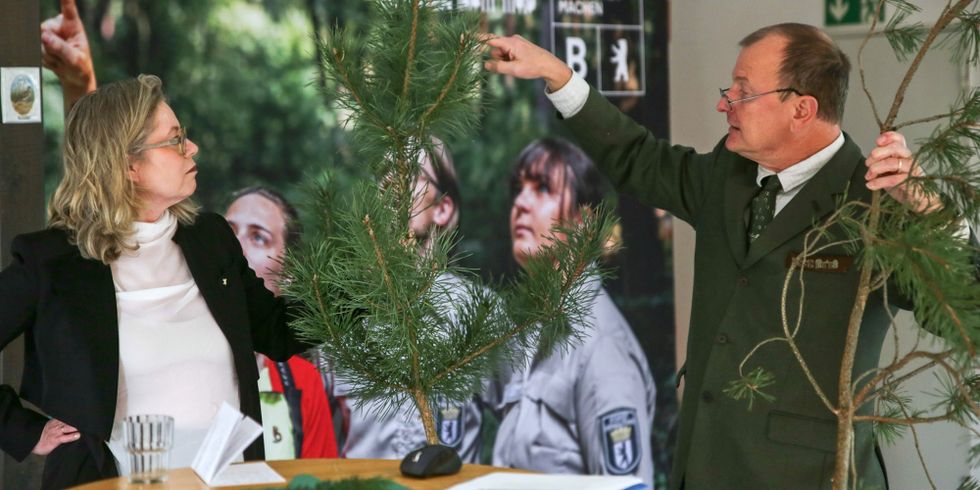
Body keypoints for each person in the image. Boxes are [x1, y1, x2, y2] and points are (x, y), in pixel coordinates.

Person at [483, 23, 947, 489]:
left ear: (801, 109)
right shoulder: (728, 176)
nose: (724, 104)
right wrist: (558, 76)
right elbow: (637, 158)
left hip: (808, 476)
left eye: (742, 93)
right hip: (706, 465)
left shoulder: (873, 205)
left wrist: (936, 214)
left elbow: (960, 313)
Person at [0, 75, 310, 489]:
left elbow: (274, 332)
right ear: (128, 165)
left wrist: (368, 283)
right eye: (176, 139)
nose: (192, 148)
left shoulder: (210, 238)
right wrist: (21, 430)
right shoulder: (52, 262)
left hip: (232, 480)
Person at [490, 137, 656, 486]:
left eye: (542, 188)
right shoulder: (527, 333)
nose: (520, 202)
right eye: (519, 189)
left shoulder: (601, 345)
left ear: (584, 221)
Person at [331, 139, 486, 463]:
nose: (389, 183)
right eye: (384, 175)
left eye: (408, 172)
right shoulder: (344, 316)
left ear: (442, 208)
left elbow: (523, 421)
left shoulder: (480, 312)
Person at [224, 187, 339, 460]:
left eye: (258, 237)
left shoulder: (302, 380)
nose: (234, 246)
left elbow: (319, 482)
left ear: (288, 274)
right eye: (226, 233)